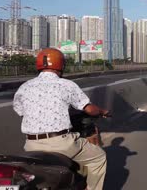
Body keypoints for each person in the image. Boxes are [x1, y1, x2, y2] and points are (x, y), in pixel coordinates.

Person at [13, 48, 108, 190]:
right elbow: (89, 109)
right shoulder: (66, 85)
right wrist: (102, 111)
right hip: (61, 144)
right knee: (99, 157)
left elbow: (20, 111)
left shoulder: (24, 87)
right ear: (61, 66)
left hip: (31, 145)